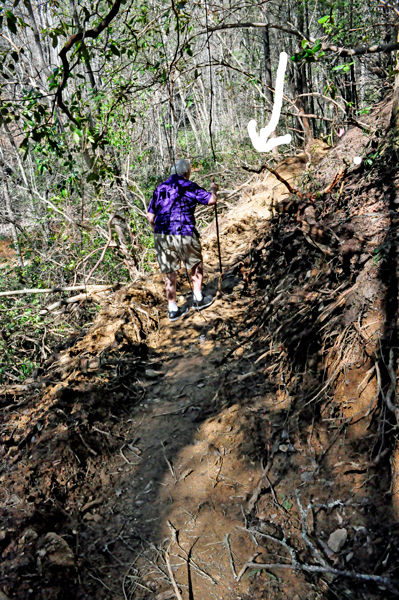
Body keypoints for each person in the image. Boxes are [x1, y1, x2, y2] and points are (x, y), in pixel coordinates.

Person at [147, 159, 219, 321]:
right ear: (186, 172)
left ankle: (173, 309)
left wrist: (157, 232)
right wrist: (213, 190)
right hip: (184, 232)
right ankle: (198, 299)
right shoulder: (188, 185)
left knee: (169, 273)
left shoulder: (160, 189)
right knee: (195, 265)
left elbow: (150, 216)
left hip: (162, 235)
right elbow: (211, 200)